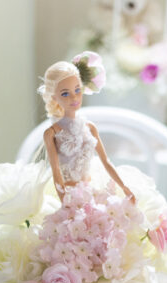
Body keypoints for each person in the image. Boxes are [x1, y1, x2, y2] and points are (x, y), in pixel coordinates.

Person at [38, 53, 136, 202]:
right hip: (70, 196)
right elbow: (56, 171)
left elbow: (106, 162)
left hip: (90, 191)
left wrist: (124, 187)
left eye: (77, 90)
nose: (74, 97)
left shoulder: (89, 127)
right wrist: (65, 200)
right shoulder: (52, 133)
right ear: (54, 97)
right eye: (65, 94)